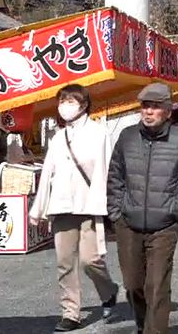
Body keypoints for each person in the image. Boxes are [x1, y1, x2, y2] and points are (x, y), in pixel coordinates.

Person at [107, 83, 178, 334]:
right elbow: (115, 176)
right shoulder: (127, 137)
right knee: (132, 284)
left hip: (164, 226)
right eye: (145, 106)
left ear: (168, 111)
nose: (148, 112)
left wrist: (175, 209)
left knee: (157, 286)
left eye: (155, 107)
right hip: (129, 223)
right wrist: (116, 213)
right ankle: (143, 324)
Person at [29, 85, 119, 332]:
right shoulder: (58, 137)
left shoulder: (99, 133)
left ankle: (108, 290)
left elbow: (108, 170)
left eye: (70, 100)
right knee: (64, 262)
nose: (65, 105)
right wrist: (38, 209)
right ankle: (71, 312)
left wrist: (109, 204)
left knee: (91, 260)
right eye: (62, 100)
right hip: (62, 205)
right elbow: (48, 172)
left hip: (91, 205)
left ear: (84, 104)